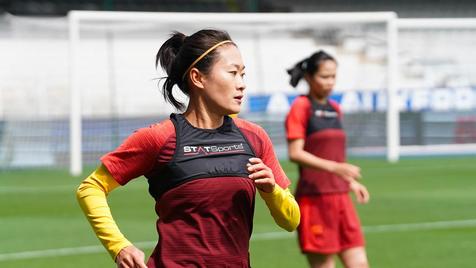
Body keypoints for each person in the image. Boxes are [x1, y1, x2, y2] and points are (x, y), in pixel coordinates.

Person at [76, 29, 300, 268]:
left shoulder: (254, 137)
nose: (241, 85)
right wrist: (119, 246)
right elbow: (91, 188)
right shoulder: (159, 138)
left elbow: (291, 221)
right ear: (197, 78)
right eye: (233, 73)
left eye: (243, 75)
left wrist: (271, 190)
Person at [285, 51, 370, 268]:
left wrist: (350, 181)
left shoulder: (335, 108)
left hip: (341, 198)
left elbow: (335, 155)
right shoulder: (301, 107)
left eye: (333, 76)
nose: (330, 82)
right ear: (309, 77)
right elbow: (295, 153)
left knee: (360, 263)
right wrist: (336, 168)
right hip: (315, 199)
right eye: (324, 76)